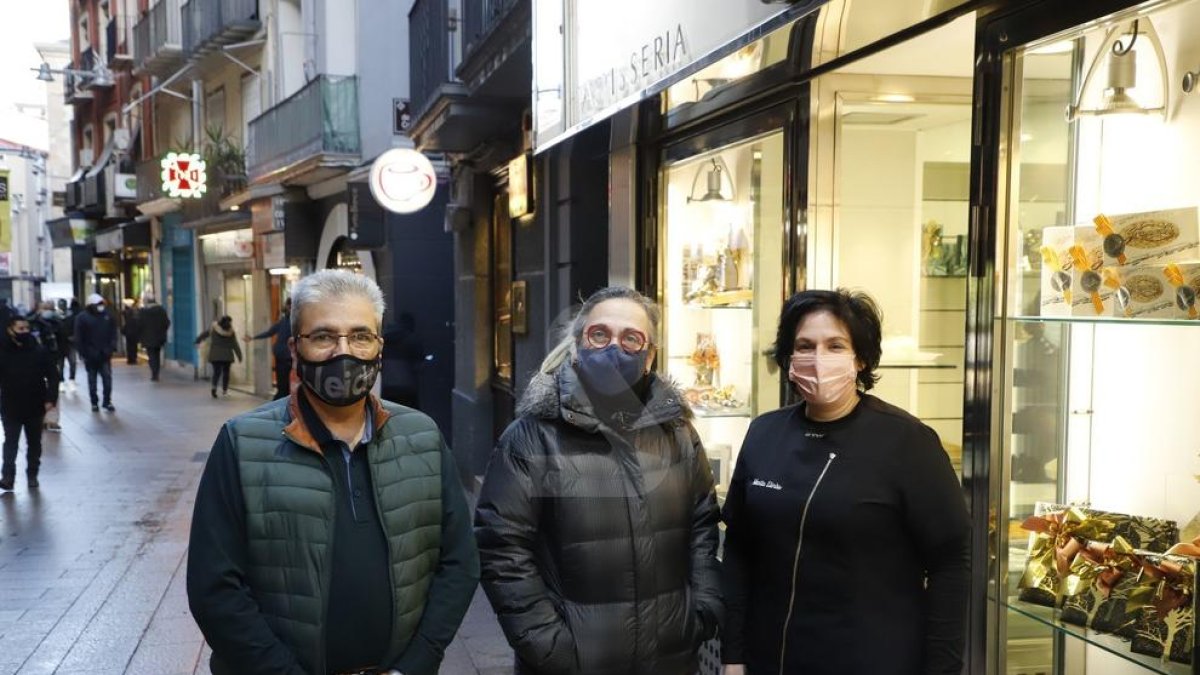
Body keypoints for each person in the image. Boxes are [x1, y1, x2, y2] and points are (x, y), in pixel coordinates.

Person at [187, 269, 480, 675]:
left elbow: (459, 561)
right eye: (324, 336)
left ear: (379, 345)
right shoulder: (242, 443)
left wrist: (417, 663)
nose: (344, 352)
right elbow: (214, 589)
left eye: (360, 336)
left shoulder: (423, 436)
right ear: (295, 347)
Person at [720, 289, 971, 675]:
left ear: (861, 358)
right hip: (771, 656)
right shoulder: (764, 434)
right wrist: (732, 654)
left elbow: (952, 563)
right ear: (788, 357)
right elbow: (738, 548)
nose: (818, 358)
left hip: (872, 656)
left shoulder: (906, 442)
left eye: (835, 345)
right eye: (805, 345)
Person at [475, 286, 722, 675]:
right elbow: (502, 548)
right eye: (599, 334)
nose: (613, 348)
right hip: (572, 663)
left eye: (631, 339)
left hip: (671, 658)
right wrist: (549, 646)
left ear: (650, 355)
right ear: (577, 346)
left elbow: (703, 526)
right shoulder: (533, 436)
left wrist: (701, 610)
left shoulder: (677, 434)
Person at [0, 316, 60, 490]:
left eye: (26, 328)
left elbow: (53, 376)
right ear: (10, 330)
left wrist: (50, 398)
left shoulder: (39, 351)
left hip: (35, 404)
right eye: (20, 329)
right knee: (11, 442)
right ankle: (8, 477)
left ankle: (32, 474)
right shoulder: (3, 352)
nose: (24, 332)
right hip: (10, 405)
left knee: (34, 442)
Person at [74, 293, 117, 413]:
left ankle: (107, 401)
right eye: (98, 304)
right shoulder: (82, 318)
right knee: (92, 381)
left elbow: (113, 333)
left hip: (104, 354)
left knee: (107, 379)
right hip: (90, 355)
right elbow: (79, 337)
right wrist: (84, 353)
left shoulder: (108, 316)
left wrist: (110, 348)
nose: (101, 306)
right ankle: (94, 402)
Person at [245, 297, 293, 400]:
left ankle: (280, 401)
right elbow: (269, 333)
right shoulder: (284, 321)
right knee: (282, 383)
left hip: (287, 355)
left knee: (285, 384)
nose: (289, 308)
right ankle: (280, 402)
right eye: (289, 305)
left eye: (291, 306)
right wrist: (253, 338)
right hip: (283, 356)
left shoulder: (295, 321)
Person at [29, 302, 64, 431]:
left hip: (51, 358)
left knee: (53, 388)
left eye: (49, 309)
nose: (47, 311)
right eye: (45, 308)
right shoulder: (32, 323)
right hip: (40, 359)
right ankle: (41, 417)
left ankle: (51, 419)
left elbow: (61, 340)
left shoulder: (57, 322)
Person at [381, 312, 424, 409]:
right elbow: (418, 366)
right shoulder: (412, 340)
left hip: (387, 386)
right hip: (407, 388)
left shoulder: (384, 339)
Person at [195, 316, 243, 399]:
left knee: (216, 372)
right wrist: (239, 356)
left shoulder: (213, 329)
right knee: (226, 373)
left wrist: (197, 341)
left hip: (215, 355)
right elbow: (235, 344)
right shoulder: (231, 332)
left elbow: (204, 334)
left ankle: (214, 388)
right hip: (227, 355)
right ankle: (224, 391)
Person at [138, 292, 171, 381]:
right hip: (159, 337)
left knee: (151, 355)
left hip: (147, 337)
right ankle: (156, 372)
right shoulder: (161, 310)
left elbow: (139, 324)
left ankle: (154, 373)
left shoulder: (143, 312)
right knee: (157, 354)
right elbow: (167, 323)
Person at [60, 299, 80, 390]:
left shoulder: (71, 315)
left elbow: (75, 327)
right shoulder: (56, 316)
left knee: (72, 362)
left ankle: (72, 379)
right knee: (60, 363)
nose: (62, 306)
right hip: (60, 343)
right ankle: (61, 380)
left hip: (70, 343)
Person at [121, 298, 141, 365]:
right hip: (134, 331)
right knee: (133, 345)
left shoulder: (126, 312)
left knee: (129, 346)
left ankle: (130, 359)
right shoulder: (135, 312)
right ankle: (133, 358)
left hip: (128, 331)